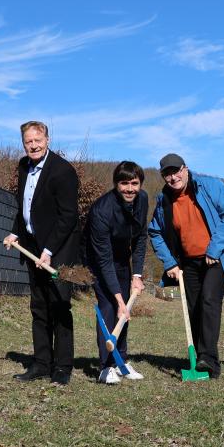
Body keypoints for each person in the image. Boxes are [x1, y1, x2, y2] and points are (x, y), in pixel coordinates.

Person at [149, 153, 224, 378]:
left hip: (217, 257)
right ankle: (198, 357)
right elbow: (155, 231)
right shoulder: (164, 200)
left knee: (208, 300)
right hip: (188, 263)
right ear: (163, 176)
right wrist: (170, 263)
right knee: (194, 306)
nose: (173, 176)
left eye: (176, 170)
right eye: (167, 173)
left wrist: (215, 249)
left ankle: (209, 360)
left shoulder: (210, 186)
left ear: (186, 169)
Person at [3, 121, 80, 386]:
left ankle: (62, 366)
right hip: (32, 247)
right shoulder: (24, 167)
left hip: (59, 249)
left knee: (59, 305)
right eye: (28, 141)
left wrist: (49, 251)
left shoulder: (63, 171)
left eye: (37, 140)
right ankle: (42, 363)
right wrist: (16, 232)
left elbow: (68, 217)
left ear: (47, 139)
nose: (33, 145)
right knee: (38, 307)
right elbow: (24, 207)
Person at [84, 161, 148, 384]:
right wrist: (120, 300)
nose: (129, 189)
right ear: (115, 184)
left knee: (124, 313)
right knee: (110, 307)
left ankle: (121, 362)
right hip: (98, 261)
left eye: (134, 183)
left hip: (122, 258)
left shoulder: (143, 200)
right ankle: (105, 367)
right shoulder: (102, 210)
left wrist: (137, 275)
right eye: (124, 183)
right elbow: (103, 260)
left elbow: (140, 238)